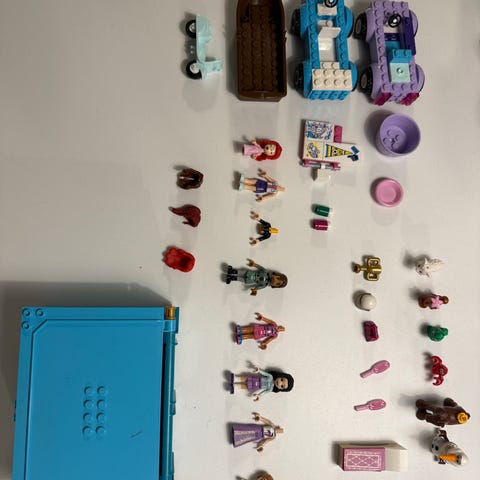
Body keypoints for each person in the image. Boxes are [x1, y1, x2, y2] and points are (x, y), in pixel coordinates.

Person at [229, 366, 294, 401]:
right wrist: (259, 370)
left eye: (282, 386)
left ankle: (235, 386)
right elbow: (264, 373)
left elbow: (265, 392)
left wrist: (259, 395)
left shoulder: (270, 388)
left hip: (257, 387)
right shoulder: (270, 376)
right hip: (257, 380)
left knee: (246, 386)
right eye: (282, 379)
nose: (279, 383)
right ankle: (236, 378)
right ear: (280, 376)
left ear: (280, 389)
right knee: (246, 379)